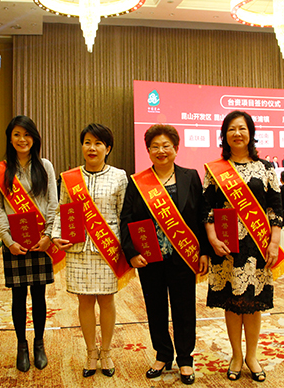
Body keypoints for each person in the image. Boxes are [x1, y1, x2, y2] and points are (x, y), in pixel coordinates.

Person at [120, 124, 210, 385]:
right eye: (155, 147)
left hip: (183, 256)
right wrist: (131, 252)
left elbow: (201, 216)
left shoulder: (190, 176)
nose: (161, 151)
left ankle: (185, 359)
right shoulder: (138, 182)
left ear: (176, 148)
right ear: (148, 150)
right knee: (155, 308)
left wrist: (203, 251)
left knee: (184, 308)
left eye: (166, 146)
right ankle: (162, 355)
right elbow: (126, 218)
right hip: (150, 258)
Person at [202, 111, 283, 383]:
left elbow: (275, 208)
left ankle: (252, 356)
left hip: (257, 244)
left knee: (253, 302)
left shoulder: (266, 168)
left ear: (251, 133)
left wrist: (274, 242)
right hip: (226, 245)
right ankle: (236, 355)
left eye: (242, 128)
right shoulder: (215, 170)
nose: (237, 133)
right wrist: (212, 238)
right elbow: (207, 209)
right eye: (231, 129)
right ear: (224, 135)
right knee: (233, 302)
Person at [52, 123, 130, 378]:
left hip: (107, 249)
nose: (92, 148)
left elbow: (124, 215)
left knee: (107, 301)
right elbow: (61, 210)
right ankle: (90, 352)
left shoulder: (119, 176)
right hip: (78, 250)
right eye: (87, 142)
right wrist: (56, 235)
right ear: (82, 146)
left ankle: (105, 352)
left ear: (108, 148)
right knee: (84, 301)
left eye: (98, 143)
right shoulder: (69, 178)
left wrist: (126, 249)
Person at [0, 116, 58, 372]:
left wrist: (48, 235)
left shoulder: (46, 166)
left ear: (34, 138)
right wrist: (8, 241)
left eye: (27, 134)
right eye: (17, 134)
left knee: (39, 295)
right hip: (15, 242)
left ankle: (39, 344)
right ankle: (21, 345)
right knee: (18, 296)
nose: (22, 139)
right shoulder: (1, 171)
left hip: (40, 240)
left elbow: (53, 203)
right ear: (10, 138)